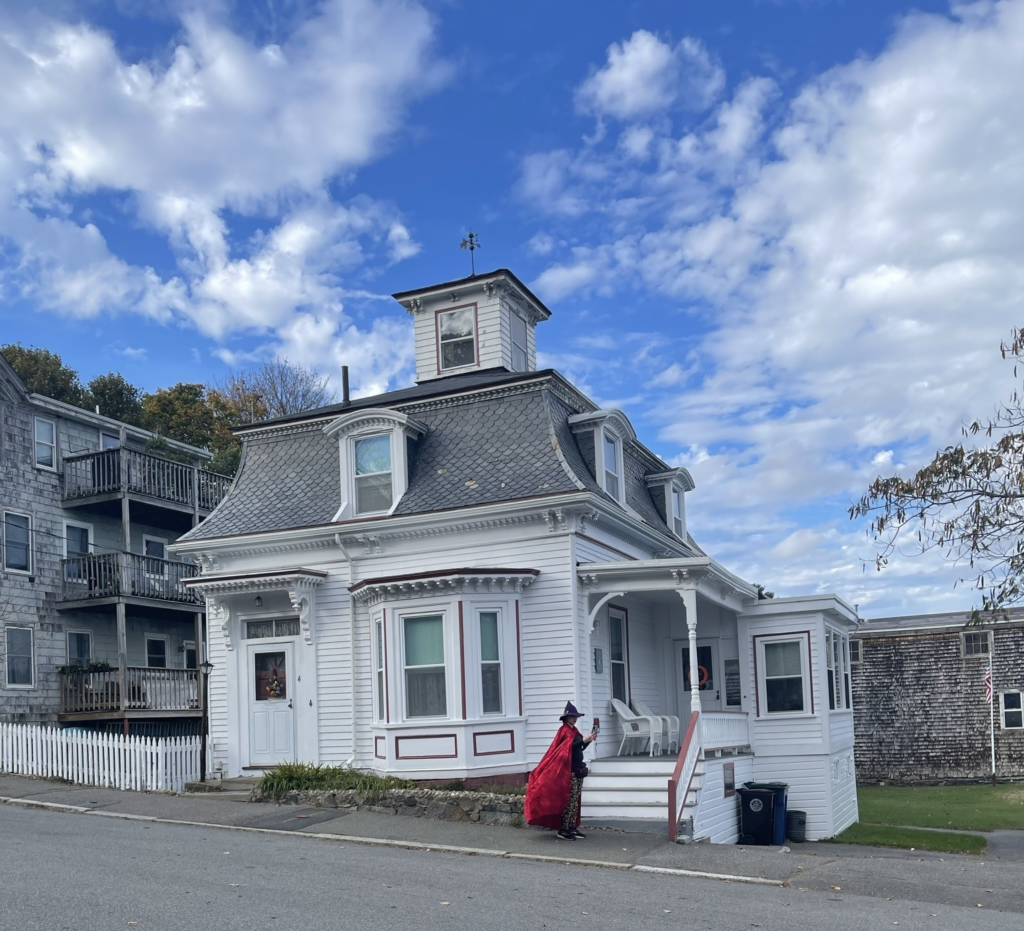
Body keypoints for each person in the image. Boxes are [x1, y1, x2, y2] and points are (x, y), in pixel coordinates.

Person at [524, 701, 598, 840]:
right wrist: (583, 741)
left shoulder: (574, 730)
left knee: (575, 800)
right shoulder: (564, 731)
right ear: (566, 718)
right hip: (568, 771)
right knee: (569, 800)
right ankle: (563, 829)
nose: (574, 719)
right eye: (572, 717)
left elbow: (578, 747)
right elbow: (566, 748)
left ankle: (571, 827)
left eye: (576, 717)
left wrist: (587, 741)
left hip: (577, 769)